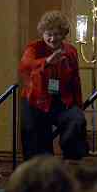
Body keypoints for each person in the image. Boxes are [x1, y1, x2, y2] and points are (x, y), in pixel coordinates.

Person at [18, 10, 88, 161]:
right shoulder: (34, 48)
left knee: (76, 119)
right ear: (42, 34)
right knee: (36, 138)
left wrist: (78, 105)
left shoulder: (71, 51)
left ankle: (72, 161)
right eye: (48, 34)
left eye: (56, 34)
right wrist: (47, 61)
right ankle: (39, 171)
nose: (52, 38)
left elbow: (76, 81)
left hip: (61, 101)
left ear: (63, 34)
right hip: (36, 101)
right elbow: (25, 65)